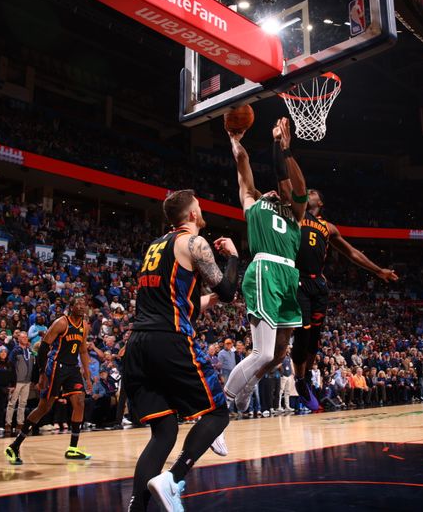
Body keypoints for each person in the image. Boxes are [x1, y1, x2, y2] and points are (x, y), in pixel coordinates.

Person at [124, 189, 239, 512]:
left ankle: (137, 509)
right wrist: (233, 257)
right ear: (190, 215)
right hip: (170, 340)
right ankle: (174, 478)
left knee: (164, 431)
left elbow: (171, 301)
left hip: (138, 343)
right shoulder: (194, 242)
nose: (202, 212)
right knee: (217, 413)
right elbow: (229, 291)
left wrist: (205, 300)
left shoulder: (155, 246)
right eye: (199, 207)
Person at [223, 117, 307, 414]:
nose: (274, 190)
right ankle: (222, 404)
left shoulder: (295, 212)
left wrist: (284, 149)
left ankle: (247, 386)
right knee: (263, 352)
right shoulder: (252, 203)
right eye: (268, 190)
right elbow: (243, 162)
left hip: (288, 275)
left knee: (280, 350)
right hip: (267, 269)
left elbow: (300, 188)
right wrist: (235, 138)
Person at [291, 188, 398, 410]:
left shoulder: (328, 227)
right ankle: (300, 380)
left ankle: (308, 375)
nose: (308, 192)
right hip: (298, 278)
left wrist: (378, 271)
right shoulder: (296, 213)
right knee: (302, 332)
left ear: (320, 202)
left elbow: (352, 253)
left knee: (314, 338)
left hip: (318, 283)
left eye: (313, 192)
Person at [5, 296, 94, 464]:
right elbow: (44, 347)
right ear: (71, 307)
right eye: (78, 304)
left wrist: (87, 376)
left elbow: (83, 351)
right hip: (55, 367)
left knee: (80, 402)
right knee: (44, 408)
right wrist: (42, 374)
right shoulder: (61, 323)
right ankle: (15, 446)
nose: (82, 307)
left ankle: (73, 448)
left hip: (72, 368)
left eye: (84, 305)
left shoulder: (84, 326)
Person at [5, 332, 35, 436]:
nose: (25, 338)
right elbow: (11, 366)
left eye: (26, 337)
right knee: (12, 403)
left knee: (23, 403)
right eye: (23, 337)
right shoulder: (15, 351)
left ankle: (20, 423)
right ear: (18, 339)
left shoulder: (30, 351)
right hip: (17, 381)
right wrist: (12, 382)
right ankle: (8, 423)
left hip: (27, 381)